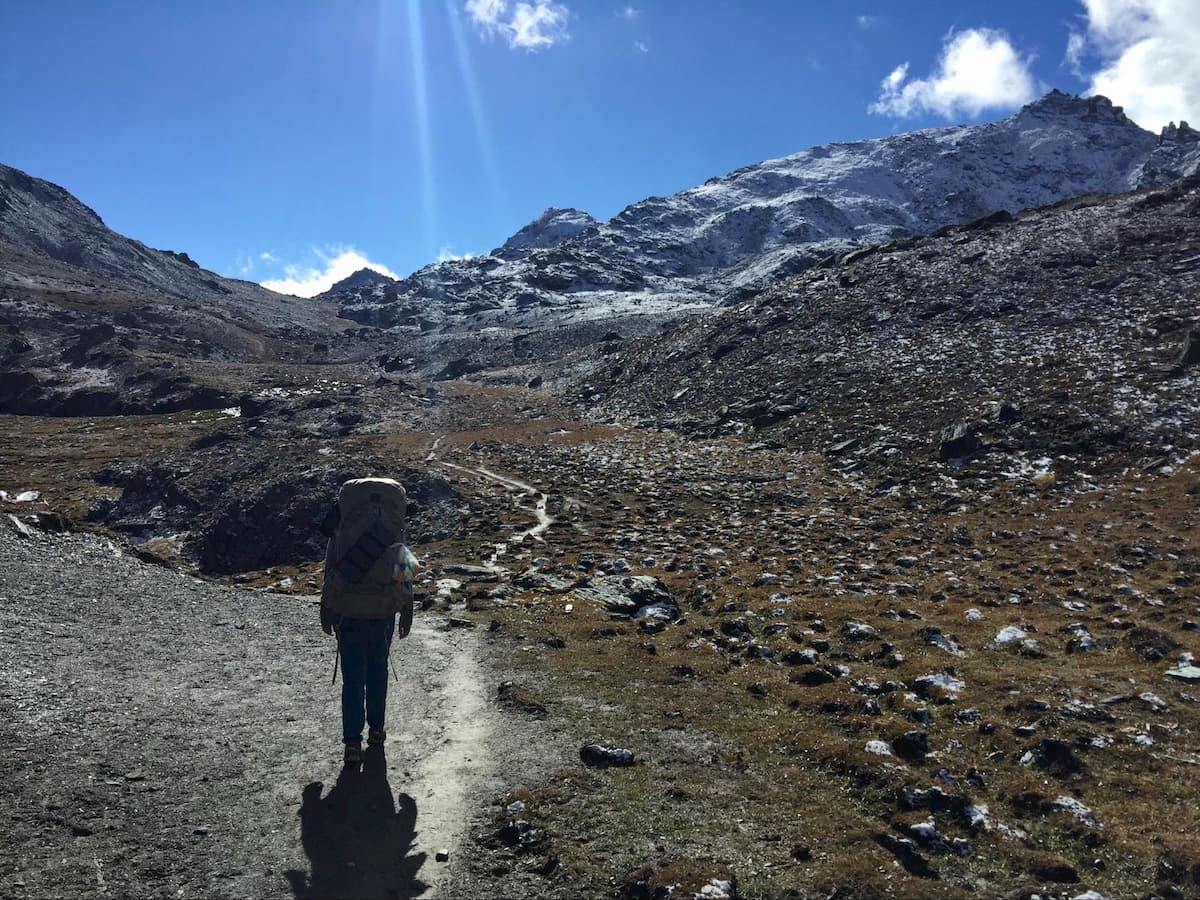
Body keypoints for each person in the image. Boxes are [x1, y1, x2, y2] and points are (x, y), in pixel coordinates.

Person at [319, 477, 418, 766]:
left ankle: (352, 743)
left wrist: (327, 608)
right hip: (383, 609)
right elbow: (405, 567)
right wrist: (407, 608)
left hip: (349, 610)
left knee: (353, 678)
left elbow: (331, 566)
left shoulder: (343, 527)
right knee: (378, 671)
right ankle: (377, 730)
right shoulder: (394, 529)